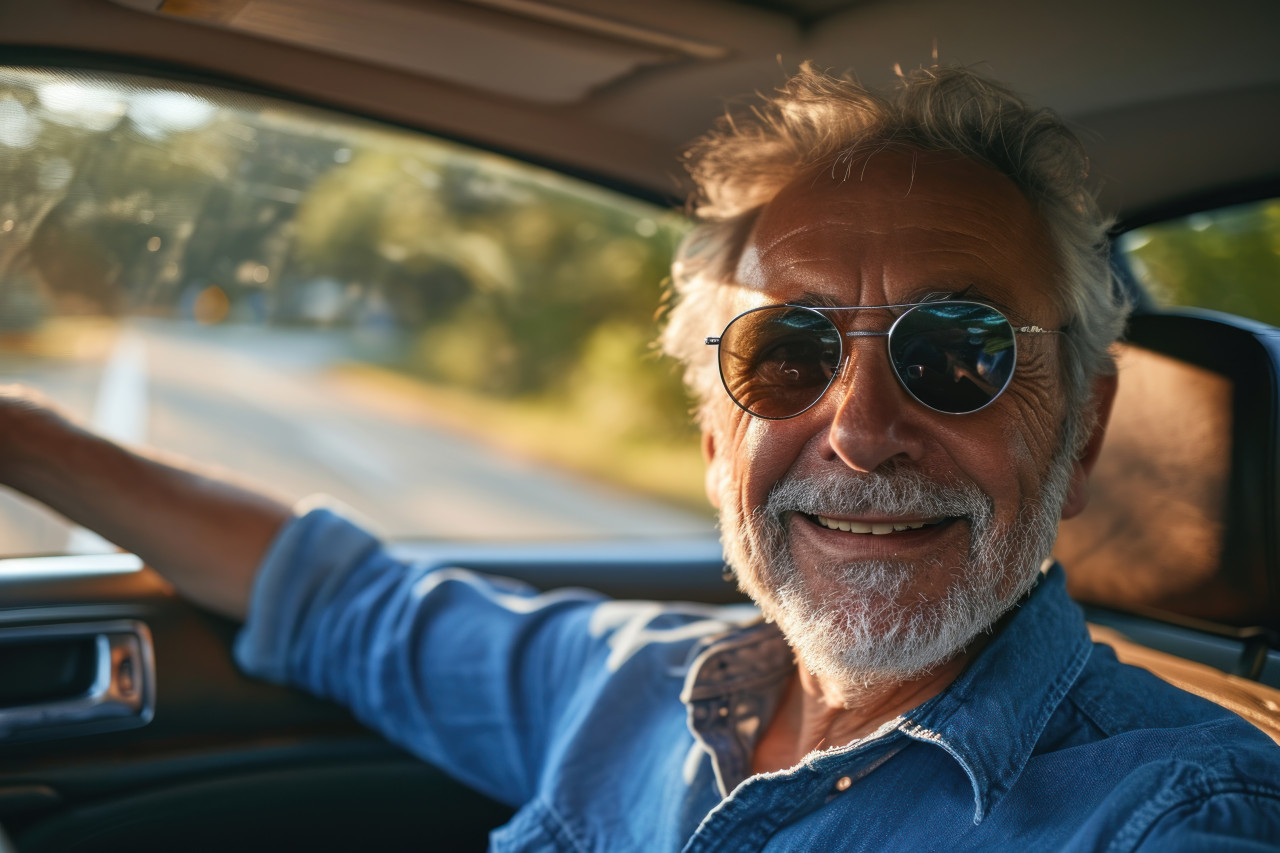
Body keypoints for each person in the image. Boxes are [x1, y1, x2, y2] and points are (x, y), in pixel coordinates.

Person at [3, 64, 1279, 850]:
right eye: (784, 352)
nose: (859, 426)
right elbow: (342, 602)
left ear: (1086, 415)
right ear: (715, 424)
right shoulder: (620, 688)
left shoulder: (1177, 811)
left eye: (957, 351)